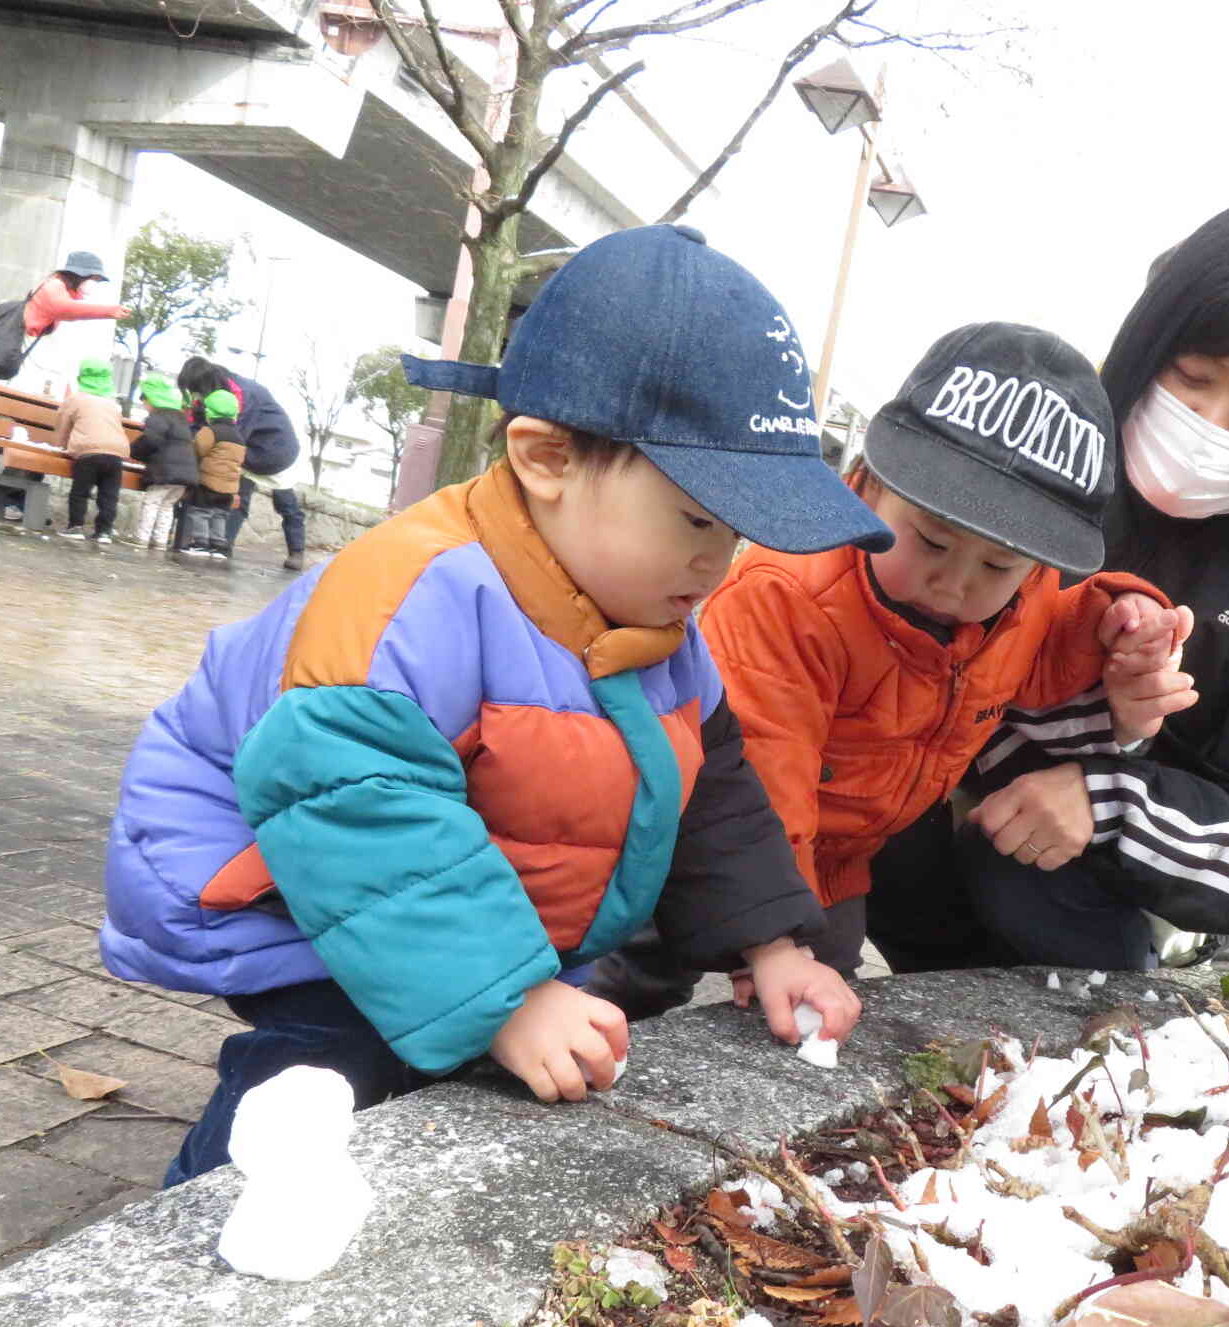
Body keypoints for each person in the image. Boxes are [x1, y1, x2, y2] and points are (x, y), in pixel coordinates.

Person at [99, 225, 889, 1186]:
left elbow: (711, 790)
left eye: (732, 536)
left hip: (435, 891)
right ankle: (191, 1236)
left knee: (467, 1054)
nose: (713, 565)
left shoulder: (656, 622)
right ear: (547, 458)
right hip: (291, 879)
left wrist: (774, 944)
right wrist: (508, 999)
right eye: (693, 521)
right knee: (332, 1070)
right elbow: (354, 803)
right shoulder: (417, 593)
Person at [585, 321, 1195, 1016]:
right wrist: (773, 937)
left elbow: (1050, 650)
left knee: (818, 1005)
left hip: (840, 860)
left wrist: (1120, 620)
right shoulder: (790, 598)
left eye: (998, 565)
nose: (956, 584)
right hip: (697, 833)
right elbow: (759, 772)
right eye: (932, 541)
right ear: (868, 489)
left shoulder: (1017, 607)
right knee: (631, 975)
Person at [876, 191, 1229, 970]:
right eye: (1193, 376)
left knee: (1022, 876)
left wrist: (1108, 799)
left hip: (1097, 898)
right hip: (905, 816)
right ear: (1149, 341)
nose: (1213, 426)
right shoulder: (1046, 447)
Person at [176, 357, 307, 570]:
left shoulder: (246, 395)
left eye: (196, 390)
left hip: (276, 452)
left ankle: (297, 551)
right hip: (243, 450)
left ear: (205, 383)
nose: (195, 396)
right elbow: (199, 426)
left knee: (286, 503)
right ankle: (223, 547)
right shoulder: (209, 395)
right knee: (235, 498)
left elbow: (230, 438)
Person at [21, 250, 128, 400]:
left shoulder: (63, 291)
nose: (94, 284)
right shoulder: (54, 286)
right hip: (36, 365)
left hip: (45, 367)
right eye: (94, 279)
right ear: (80, 275)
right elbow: (64, 308)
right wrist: (110, 311)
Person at [49, 358, 130, 544]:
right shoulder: (112, 404)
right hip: (116, 455)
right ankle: (104, 532)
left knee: (80, 492)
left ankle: (76, 526)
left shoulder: (76, 399)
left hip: (89, 453)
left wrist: (60, 446)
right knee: (109, 496)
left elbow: (63, 426)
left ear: (82, 377)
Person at [128, 374, 197, 552]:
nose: (145, 406)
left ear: (151, 399)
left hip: (165, 472)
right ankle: (160, 541)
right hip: (184, 476)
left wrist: (134, 451)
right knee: (167, 506)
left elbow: (151, 440)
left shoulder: (158, 417)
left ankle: (142, 538)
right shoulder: (180, 418)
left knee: (151, 502)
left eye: (144, 402)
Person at [182, 388, 246, 560]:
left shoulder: (210, 431)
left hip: (208, 483)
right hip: (229, 488)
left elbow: (198, 450)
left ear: (209, 413)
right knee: (220, 515)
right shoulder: (239, 438)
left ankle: (201, 544)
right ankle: (218, 546)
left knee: (200, 512)